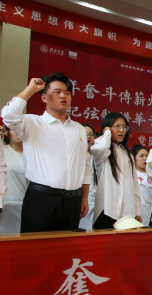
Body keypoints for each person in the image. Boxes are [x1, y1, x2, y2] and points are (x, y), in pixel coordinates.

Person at [1, 74, 92, 233]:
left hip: (73, 200)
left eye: (67, 93)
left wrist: (84, 198)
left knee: (67, 246)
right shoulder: (32, 123)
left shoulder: (79, 129)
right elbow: (8, 115)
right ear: (44, 98)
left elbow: (85, 166)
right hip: (41, 199)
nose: (63, 96)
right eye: (57, 92)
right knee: (35, 246)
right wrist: (31, 89)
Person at [91, 113, 141, 229]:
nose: (121, 130)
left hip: (126, 212)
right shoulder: (103, 152)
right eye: (117, 126)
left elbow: (134, 185)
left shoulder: (128, 154)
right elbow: (100, 148)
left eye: (124, 127)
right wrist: (107, 134)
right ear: (108, 127)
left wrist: (137, 210)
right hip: (106, 210)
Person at [78, 124, 98, 231]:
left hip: (95, 202)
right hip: (80, 200)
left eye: (91, 134)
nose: (88, 137)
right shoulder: (76, 155)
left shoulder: (97, 157)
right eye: (85, 134)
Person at [133, 145, 152, 226]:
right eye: (141, 156)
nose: (145, 158)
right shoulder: (132, 173)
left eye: (147, 156)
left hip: (151, 213)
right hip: (137, 212)